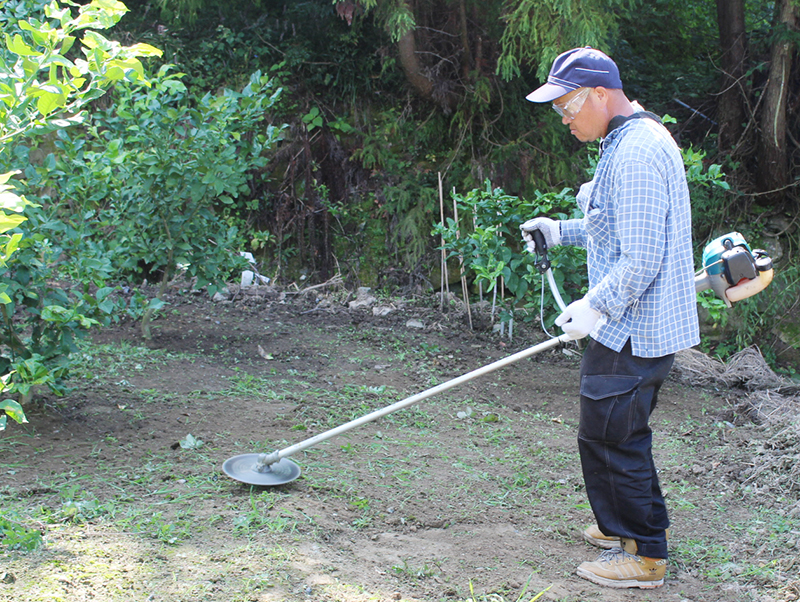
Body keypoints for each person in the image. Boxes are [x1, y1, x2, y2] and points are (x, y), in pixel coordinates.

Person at [519, 47, 700, 589]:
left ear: (600, 93)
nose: (565, 119)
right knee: (605, 431)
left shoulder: (639, 151)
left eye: (568, 107)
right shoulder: (624, 140)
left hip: (633, 328)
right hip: (624, 324)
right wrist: (560, 229)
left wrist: (595, 306)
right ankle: (621, 526)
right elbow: (616, 226)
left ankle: (645, 556)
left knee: (615, 437)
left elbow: (641, 258)